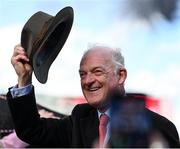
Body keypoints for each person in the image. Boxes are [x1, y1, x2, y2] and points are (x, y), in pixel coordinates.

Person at [7, 44, 180, 147]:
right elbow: (32, 131)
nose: (88, 81)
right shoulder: (79, 119)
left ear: (121, 76)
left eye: (97, 72)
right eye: (82, 74)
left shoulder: (159, 128)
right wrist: (24, 78)